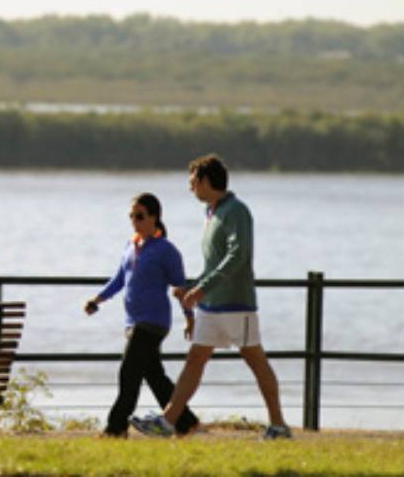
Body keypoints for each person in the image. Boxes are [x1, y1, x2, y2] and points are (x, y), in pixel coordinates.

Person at [131, 154, 292, 440]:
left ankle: (278, 425)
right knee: (195, 359)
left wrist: (202, 288)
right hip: (210, 305)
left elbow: (237, 256)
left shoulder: (236, 211)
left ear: (206, 181)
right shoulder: (212, 212)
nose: (190, 187)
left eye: (192, 181)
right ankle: (168, 421)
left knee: (256, 360)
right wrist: (193, 288)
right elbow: (213, 263)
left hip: (235, 304)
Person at [84, 192, 199, 437]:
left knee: (128, 372)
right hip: (132, 322)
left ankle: (115, 428)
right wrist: (98, 299)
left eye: (140, 216)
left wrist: (190, 318)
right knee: (154, 375)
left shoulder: (166, 250)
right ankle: (185, 422)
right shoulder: (131, 246)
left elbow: (181, 288)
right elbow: (118, 280)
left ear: (154, 218)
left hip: (153, 322)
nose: (134, 221)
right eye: (131, 217)